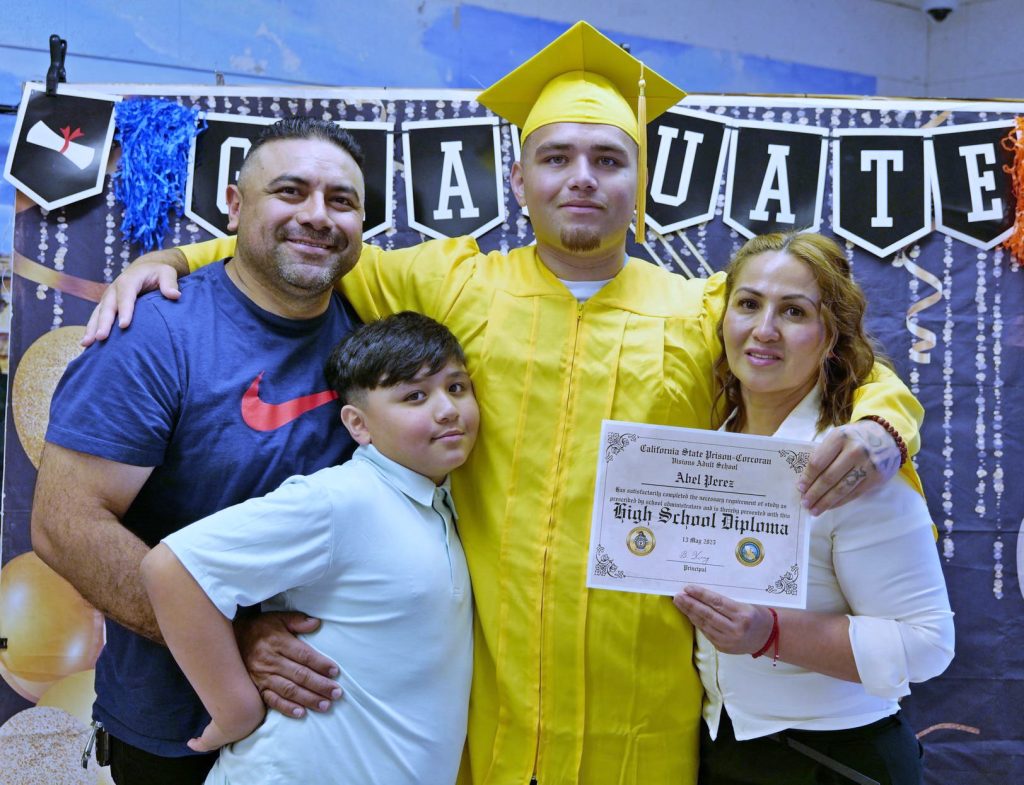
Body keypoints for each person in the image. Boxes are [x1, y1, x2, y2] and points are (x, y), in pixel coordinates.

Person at [83, 22, 926, 785]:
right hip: (486, 699)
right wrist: (174, 260)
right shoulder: (451, 281)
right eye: (556, 158)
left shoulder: (703, 310)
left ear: (641, 181)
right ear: (518, 179)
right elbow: (306, 248)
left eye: (609, 160)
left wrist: (886, 426)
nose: (581, 179)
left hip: (645, 703)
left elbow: (839, 360)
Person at [30, 117, 367, 785]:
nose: (317, 215)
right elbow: (65, 525)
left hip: (333, 724)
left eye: (341, 200)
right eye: (290, 191)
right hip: (180, 735)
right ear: (235, 208)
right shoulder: (155, 333)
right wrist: (228, 641)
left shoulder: (373, 332)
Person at [141, 312, 477, 785]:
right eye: (415, 396)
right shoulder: (341, 498)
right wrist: (235, 709)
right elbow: (171, 568)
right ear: (358, 424)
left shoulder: (441, 503)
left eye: (457, 388)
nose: (447, 410)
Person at [672, 232, 954, 785]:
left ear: (831, 337)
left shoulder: (855, 464)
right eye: (748, 304)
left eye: (794, 311)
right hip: (722, 747)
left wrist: (768, 632)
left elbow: (928, 645)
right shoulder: (712, 445)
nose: (764, 330)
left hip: (836, 760)